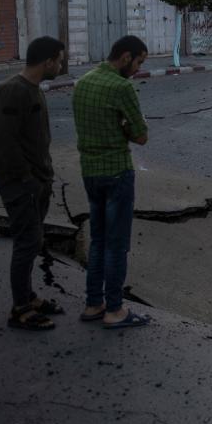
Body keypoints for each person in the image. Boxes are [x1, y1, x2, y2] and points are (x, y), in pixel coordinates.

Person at [0, 36, 67, 330]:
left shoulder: (33, 89)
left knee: (33, 241)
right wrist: (28, 180)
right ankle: (20, 309)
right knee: (26, 243)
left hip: (37, 182)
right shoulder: (12, 91)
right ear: (47, 62)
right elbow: (5, 142)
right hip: (21, 184)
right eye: (59, 60)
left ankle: (28, 296)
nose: (61, 65)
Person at [73, 36, 151, 329]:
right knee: (116, 245)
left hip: (89, 172)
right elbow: (141, 136)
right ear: (126, 56)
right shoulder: (122, 87)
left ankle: (94, 303)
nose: (138, 69)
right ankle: (115, 309)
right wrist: (125, 127)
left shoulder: (83, 83)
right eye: (139, 62)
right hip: (117, 173)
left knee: (98, 240)